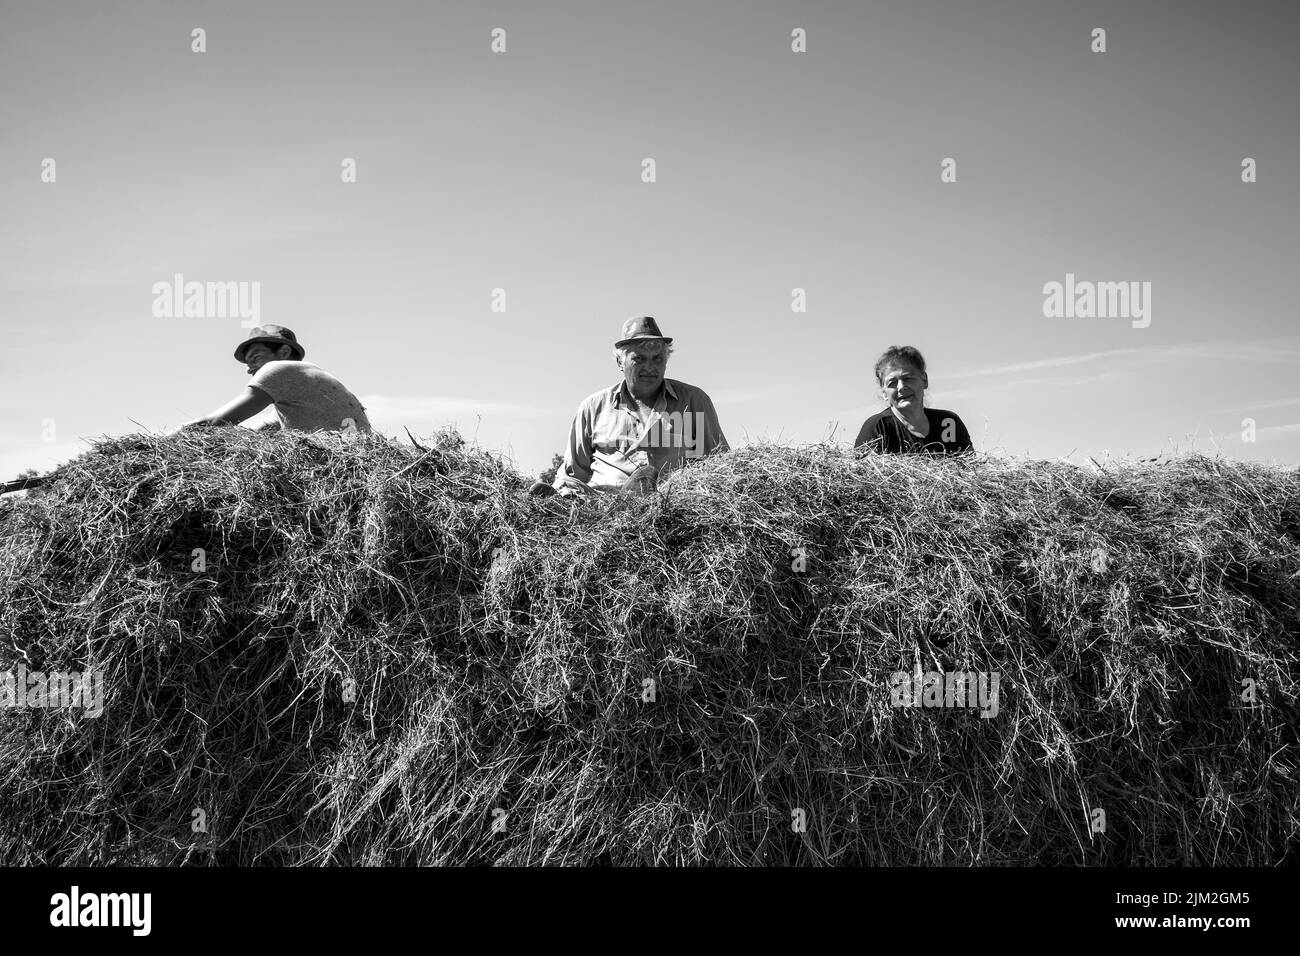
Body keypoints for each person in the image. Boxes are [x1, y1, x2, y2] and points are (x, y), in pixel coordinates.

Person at [532, 316, 729, 496]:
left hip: (668, 503)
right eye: (639, 358)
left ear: (666, 361)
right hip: (601, 504)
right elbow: (574, 473)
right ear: (620, 362)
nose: (650, 367)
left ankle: (635, 496)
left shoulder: (693, 401)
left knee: (649, 490)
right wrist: (560, 494)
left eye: (657, 358)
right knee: (571, 498)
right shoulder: (593, 407)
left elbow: (715, 464)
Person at [184, 325, 372, 434]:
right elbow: (258, 434)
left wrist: (161, 444)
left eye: (256, 358)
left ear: (283, 352)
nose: (250, 369)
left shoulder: (278, 369)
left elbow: (218, 421)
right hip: (355, 467)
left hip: (329, 470)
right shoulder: (308, 378)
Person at [854, 345, 973, 454]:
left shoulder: (948, 423)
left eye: (907, 378)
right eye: (892, 383)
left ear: (924, 380)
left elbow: (970, 470)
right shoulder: (878, 427)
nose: (901, 387)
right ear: (884, 392)